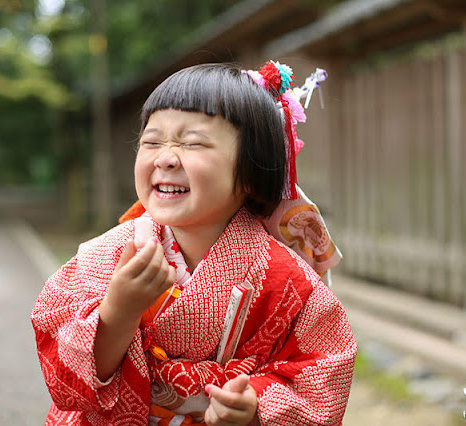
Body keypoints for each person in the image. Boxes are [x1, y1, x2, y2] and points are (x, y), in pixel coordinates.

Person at [32, 61, 357, 426]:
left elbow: (322, 373)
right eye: (151, 141)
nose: (166, 158)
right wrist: (118, 313)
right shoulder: (105, 257)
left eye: (192, 143)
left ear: (252, 171)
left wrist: (254, 410)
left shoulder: (289, 281)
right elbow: (66, 380)